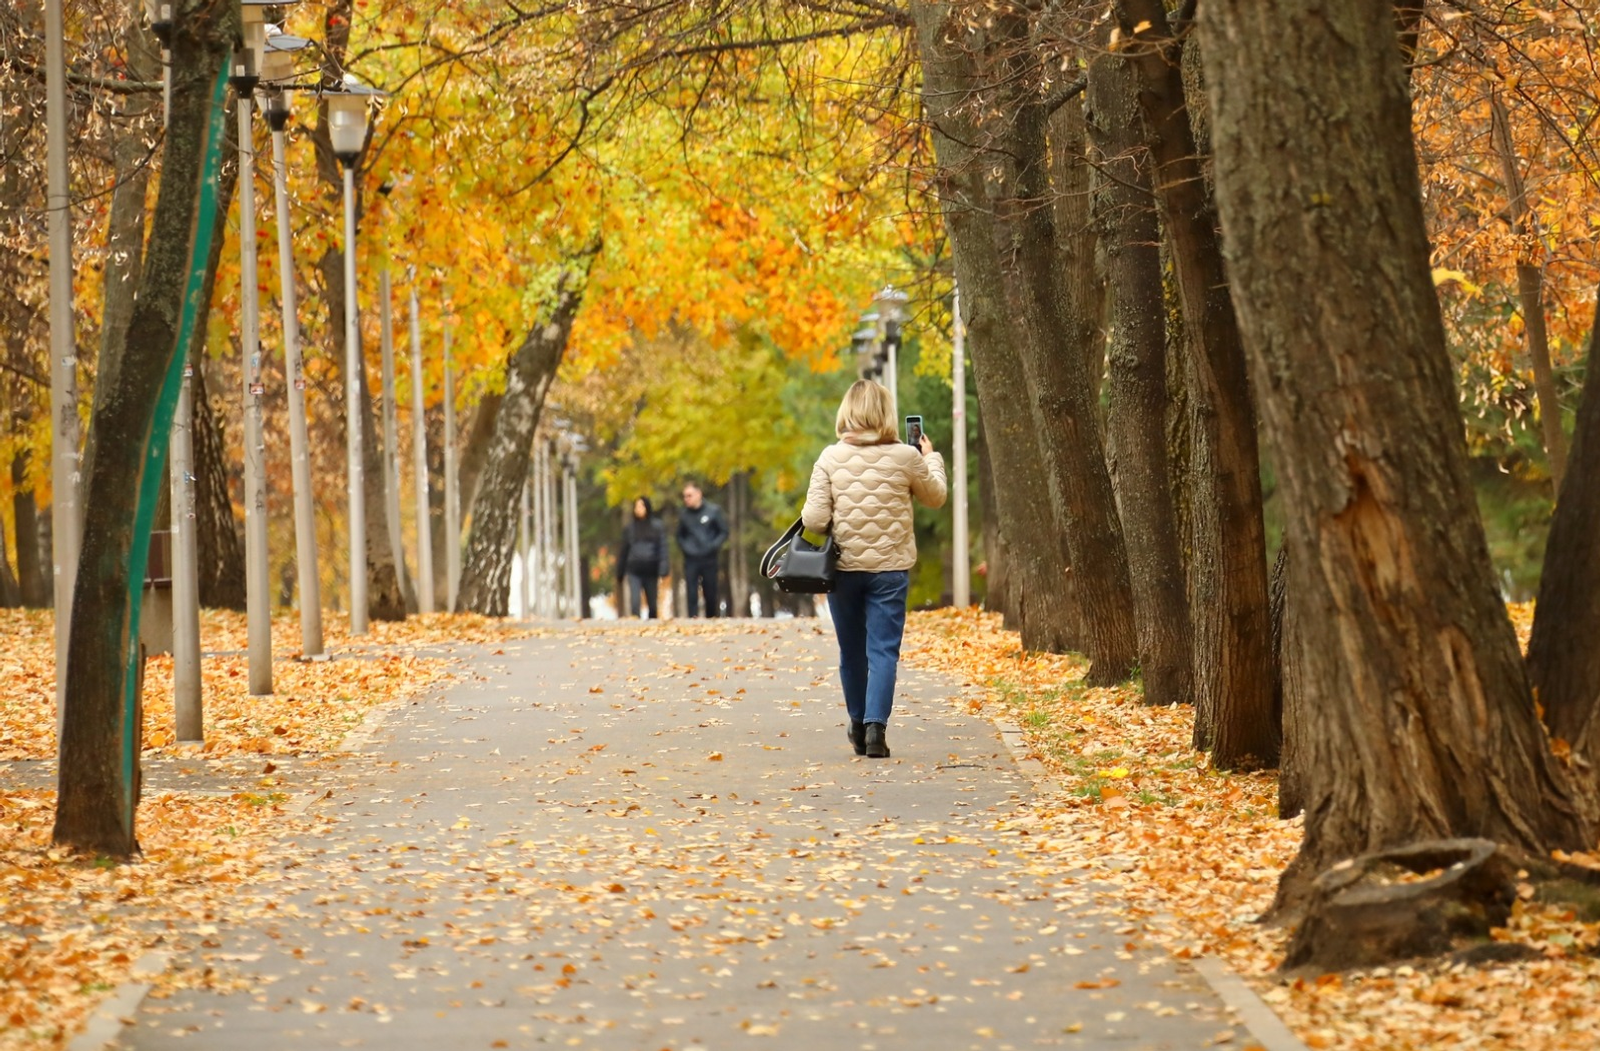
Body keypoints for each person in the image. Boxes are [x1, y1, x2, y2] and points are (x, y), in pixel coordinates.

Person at [802, 380, 946, 758]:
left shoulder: (830, 458)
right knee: (883, 651)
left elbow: (814, 520)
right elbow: (935, 497)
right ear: (886, 413)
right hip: (890, 570)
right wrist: (931, 458)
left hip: (844, 569)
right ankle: (875, 731)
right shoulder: (906, 456)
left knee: (851, 651)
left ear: (847, 412)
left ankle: (856, 721)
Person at [677, 481, 729, 617]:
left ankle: (712, 618)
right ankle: (692, 619)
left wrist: (714, 546)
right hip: (691, 559)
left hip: (709, 558)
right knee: (691, 592)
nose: (686, 499)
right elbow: (680, 536)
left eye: (689, 495)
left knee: (711, 592)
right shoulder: (684, 515)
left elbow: (723, 531)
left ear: (699, 494)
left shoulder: (713, 511)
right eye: (685, 496)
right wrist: (686, 548)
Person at [617, 496, 669, 619]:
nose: (638, 509)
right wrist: (620, 572)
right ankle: (636, 624)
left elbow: (662, 548)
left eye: (641, 506)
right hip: (634, 570)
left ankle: (653, 625)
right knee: (635, 602)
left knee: (652, 605)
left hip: (651, 569)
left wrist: (663, 568)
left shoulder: (657, 527)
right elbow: (624, 550)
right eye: (636, 506)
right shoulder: (630, 528)